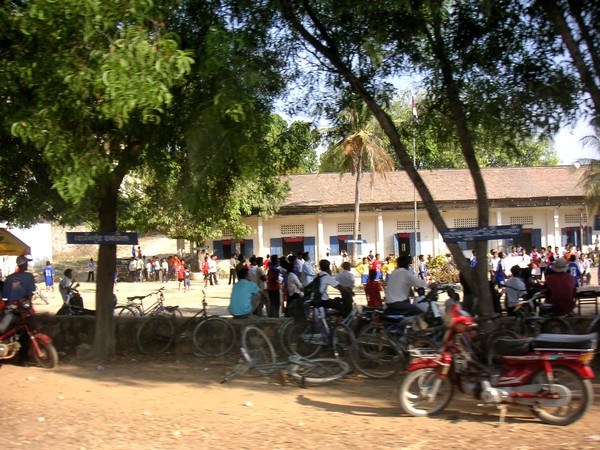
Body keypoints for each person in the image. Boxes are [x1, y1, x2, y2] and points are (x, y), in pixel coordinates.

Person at [1, 254, 36, 364]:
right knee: (25, 332)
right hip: (24, 309)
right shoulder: (29, 277)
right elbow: (30, 293)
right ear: (24, 264)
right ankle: (23, 359)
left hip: (10, 309)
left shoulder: (10, 278)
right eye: (26, 263)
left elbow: (5, 295)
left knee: (7, 331)